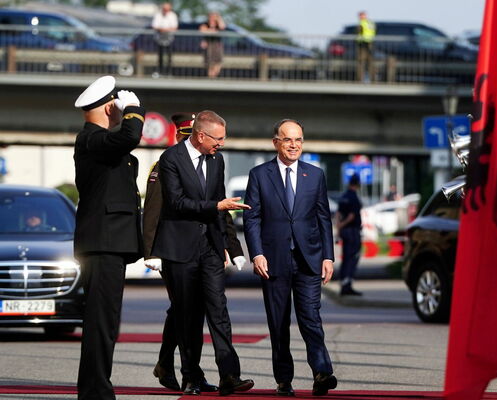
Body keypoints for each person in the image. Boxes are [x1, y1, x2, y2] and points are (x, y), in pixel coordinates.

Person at [152, 110, 254, 396]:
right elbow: (176, 203)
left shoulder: (216, 160)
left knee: (218, 310)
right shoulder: (171, 159)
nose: (221, 144)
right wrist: (216, 207)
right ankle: (191, 377)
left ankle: (229, 375)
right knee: (187, 316)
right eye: (217, 139)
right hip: (179, 249)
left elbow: (221, 204)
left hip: (209, 247)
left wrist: (229, 245)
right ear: (200, 135)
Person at [243, 119, 337, 397]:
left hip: (309, 259)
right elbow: (252, 218)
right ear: (276, 143)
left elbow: (323, 217)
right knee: (278, 321)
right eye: (287, 140)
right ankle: (284, 380)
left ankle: (322, 371)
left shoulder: (315, 175)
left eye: (298, 140)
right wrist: (256, 253)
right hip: (273, 261)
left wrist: (328, 257)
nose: (294, 145)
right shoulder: (259, 174)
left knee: (311, 317)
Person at [72, 75, 144, 400]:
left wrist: (120, 119)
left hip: (109, 244)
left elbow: (124, 152)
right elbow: (130, 137)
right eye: (114, 105)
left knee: (106, 322)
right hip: (102, 243)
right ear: (107, 107)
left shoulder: (102, 143)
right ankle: (95, 391)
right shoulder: (90, 139)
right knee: (101, 323)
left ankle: (96, 388)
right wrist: (133, 110)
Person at [336, 174, 362, 296]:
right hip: (352, 231)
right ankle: (347, 285)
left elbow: (338, 213)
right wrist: (343, 225)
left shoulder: (344, 196)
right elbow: (352, 216)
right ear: (358, 184)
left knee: (345, 257)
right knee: (353, 257)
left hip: (345, 232)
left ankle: (343, 284)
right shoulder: (354, 197)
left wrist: (339, 227)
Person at [151, 2, 178, 77]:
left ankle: (169, 73)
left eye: (167, 9)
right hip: (159, 38)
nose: (165, 11)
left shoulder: (173, 15)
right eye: (164, 9)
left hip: (170, 39)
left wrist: (165, 30)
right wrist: (162, 29)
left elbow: (174, 27)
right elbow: (154, 26)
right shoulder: (158, 15)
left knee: (169, 56)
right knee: (160, 56)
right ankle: (160, 72)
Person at [199, 12, 226, 78]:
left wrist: (219, 18)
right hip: (209, 46)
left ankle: (214, 76)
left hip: (217, 46)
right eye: (211, 17)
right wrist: (212, 31)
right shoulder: (205, 24)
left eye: (214, 17)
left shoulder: (218, 25)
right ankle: (211, 77)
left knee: (218, 64)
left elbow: (223, 27)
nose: (212, 18)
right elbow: (202, 30)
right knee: (210, 65)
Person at [356, 11, 375, 83]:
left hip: (363, 44)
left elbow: (359, 32)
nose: (360, 18)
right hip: (370, 43)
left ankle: (359, 79)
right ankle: (372, 79)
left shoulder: (362, 23)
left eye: (361, 16)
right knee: (370, 63)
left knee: (361, 62)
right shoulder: (370, 23)